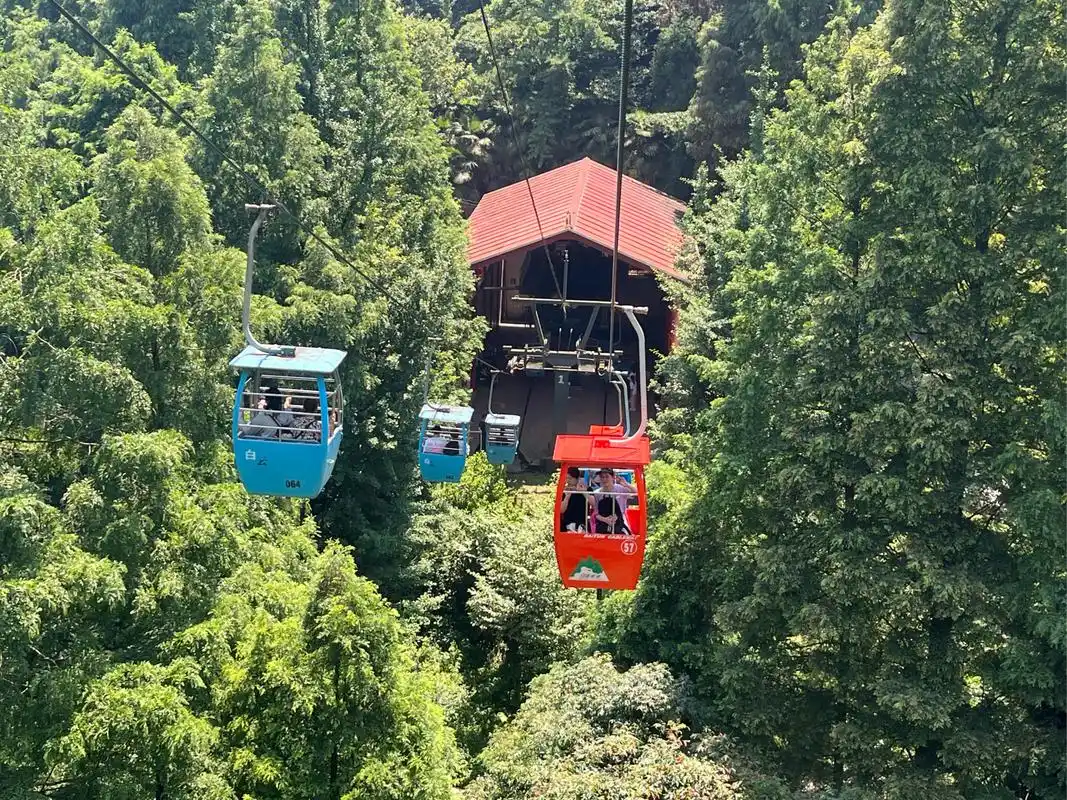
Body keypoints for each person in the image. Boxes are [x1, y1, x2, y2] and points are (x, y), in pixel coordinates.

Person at [593, 467, 635, 534]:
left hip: (621, 521)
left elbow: (636, 492)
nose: (604, 479)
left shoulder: (620, 489)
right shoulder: (597, 493)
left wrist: (626, 484)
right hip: (603, 523)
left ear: (613, 477)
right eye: (602, 477)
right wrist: (606, 520)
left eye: (607, 477)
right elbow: (595, 513)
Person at [560, 466, 589, 532]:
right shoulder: (564, 491)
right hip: (567, 524)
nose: (568, 481)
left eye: (570, 478)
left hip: (582, 523)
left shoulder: (586, 489)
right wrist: (567, 497)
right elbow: (561, 510)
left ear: (577, 478)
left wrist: (583, 492)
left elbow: (593, 503)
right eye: (566, 478)